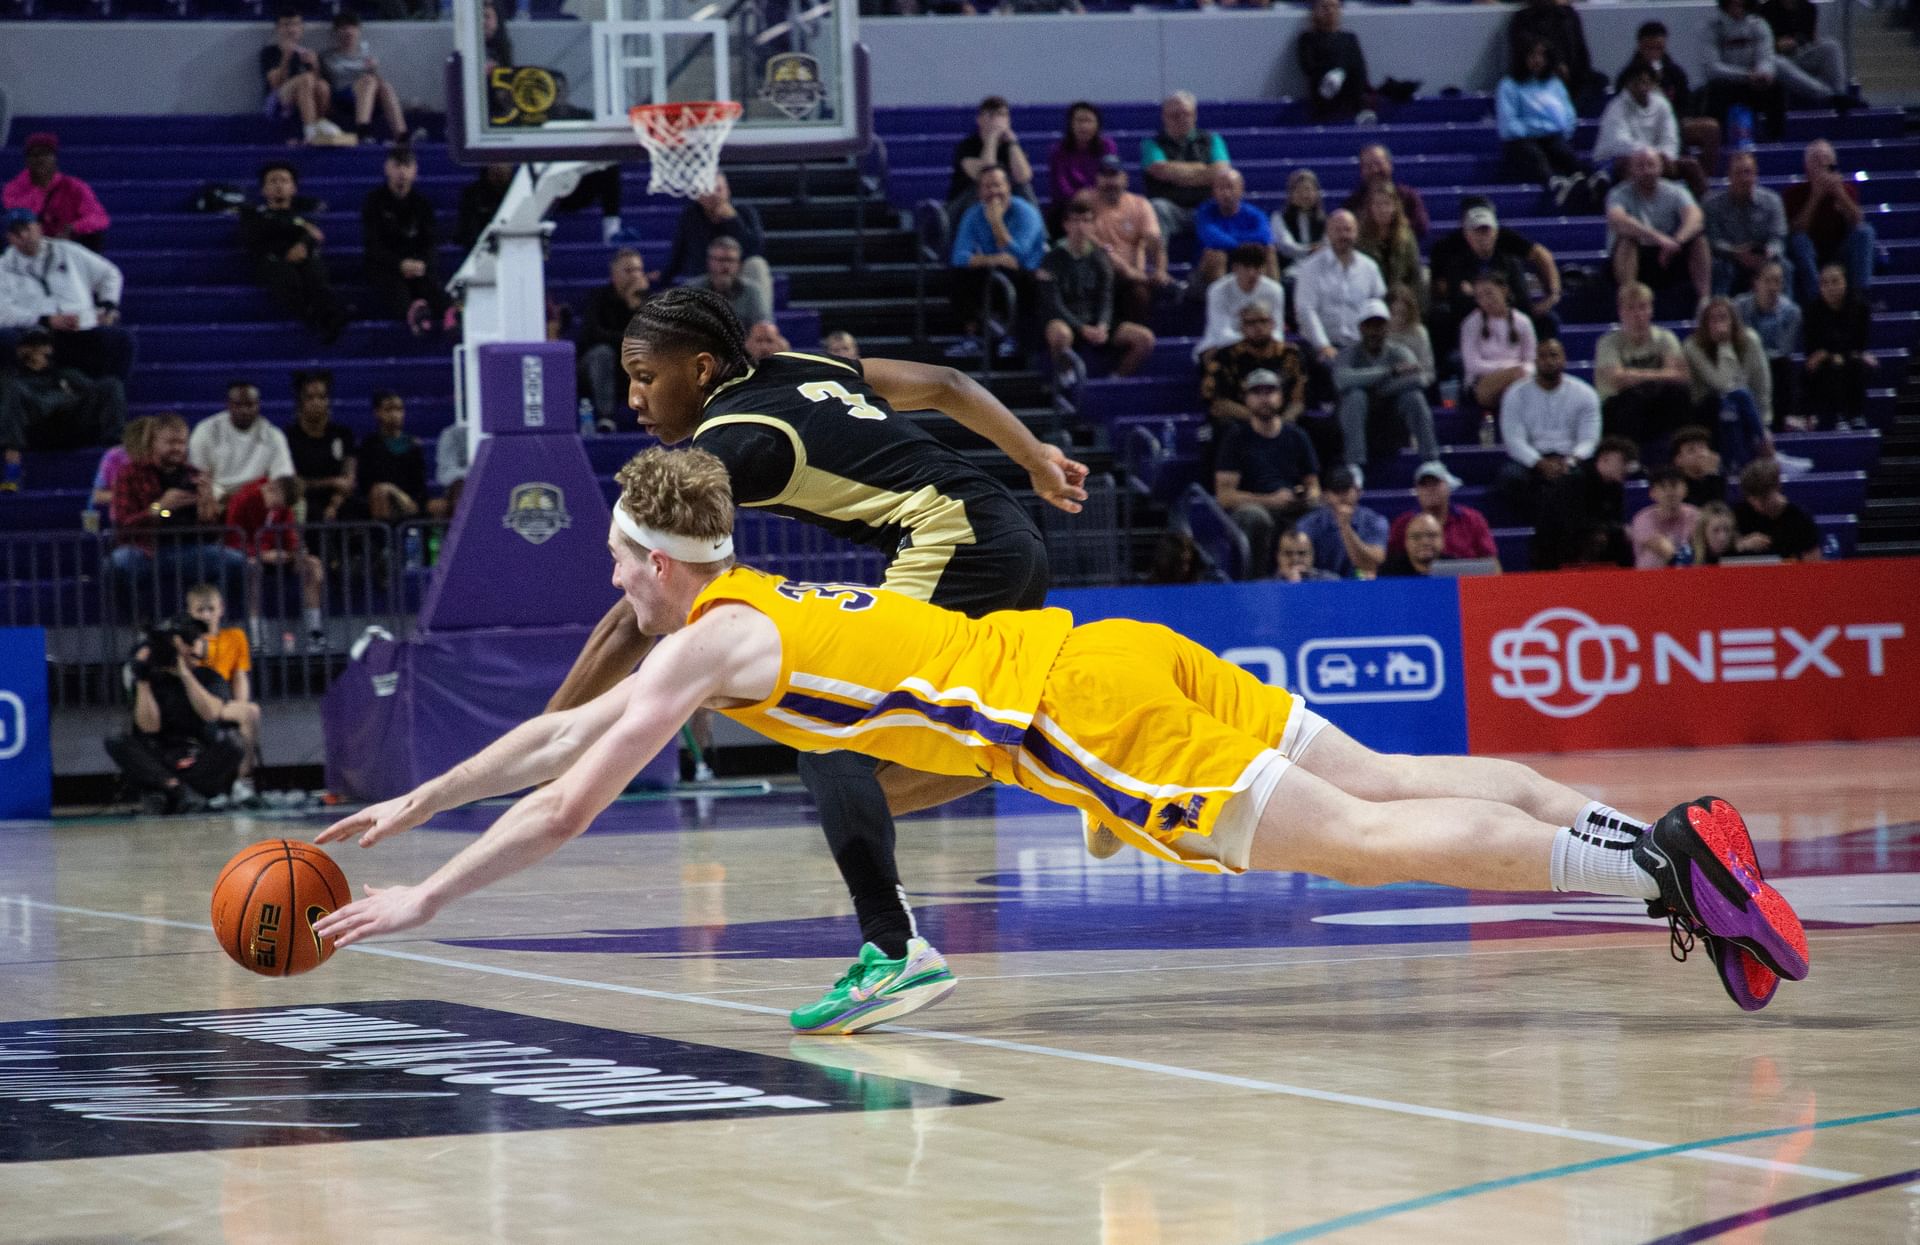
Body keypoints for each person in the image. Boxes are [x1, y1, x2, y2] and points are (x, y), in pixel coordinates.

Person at [316, 445, 1811, 1019]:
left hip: (1070, 716)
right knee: (1396, 771)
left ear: (658, 560)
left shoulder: (708, 640)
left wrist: (427, 899)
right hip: (1103, 648)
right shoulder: (740, 603)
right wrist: (417, 798)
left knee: (1359, 841)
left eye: (616, 564)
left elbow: (575, 793)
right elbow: (552, 738)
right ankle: (1665, 839)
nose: (610, 583)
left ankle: (1674, 880)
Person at [537, 287, 1088, 1035]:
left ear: (700, 368)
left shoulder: (732, 443)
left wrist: (550, 731)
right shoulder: (800, 364)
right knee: (935, 747)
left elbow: (642, 612)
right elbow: (949, 387)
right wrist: (1038, 458)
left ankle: (895, 951)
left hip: (949, 546)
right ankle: (1082, 775)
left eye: (643, 376)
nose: (630, 397)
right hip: (1010, 532)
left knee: (831, 735)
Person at [108, 413, 249, 613]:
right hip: (146, 549)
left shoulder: (194, 476)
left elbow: (207, 531)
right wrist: (160, 508)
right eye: (170, 442)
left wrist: (208, 515)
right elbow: (123, 525)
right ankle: (135, 630)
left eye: (182, 442)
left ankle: (214, 627)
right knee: (116, 564)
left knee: (237, 562)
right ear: (153, 442)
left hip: (189, 548)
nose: (177, 448)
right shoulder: (130, 473)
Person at [107, 615, 244, 816]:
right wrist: (143, 679)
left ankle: (176, 794)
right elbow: (149, 727)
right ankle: (177, 789)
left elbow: (211, 714)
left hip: (199, 758)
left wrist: (185, 674)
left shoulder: (208, 677)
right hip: (160, 759)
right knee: (116, 739)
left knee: (234, 743)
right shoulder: (151, 679)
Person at [0, 208, 133, 381]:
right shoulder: (3, 267)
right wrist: (46, 320)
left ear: (39, 228)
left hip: (80, 328)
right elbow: (4, 313)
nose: (24, 236)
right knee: (5, 339)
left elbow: (110, 274)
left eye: (27, 228)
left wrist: (107, 306)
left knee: (121, 339)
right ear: (9, 239)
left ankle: (109, 397)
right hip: (35, 334)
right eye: (16, 233)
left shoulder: (68, 251)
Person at [1214, 368, 1320, 577]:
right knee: (1256, 517)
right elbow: (1225, 497)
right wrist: (1271, 500)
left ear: (1280, 397)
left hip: (1292, 506)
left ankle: (1326, 582)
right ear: (1246, 399)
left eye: (1270, 392)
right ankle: (1256, 585)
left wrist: (1305, 496)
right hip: (1255, 507)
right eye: (1257, 393)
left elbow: (1314, 485)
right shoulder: (1236, 437)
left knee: (1327, 515)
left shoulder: (1297, 436)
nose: (1264, 399)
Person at [1038, 199, 1154, 387]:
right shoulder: (1052, 259)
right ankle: (1067, 380)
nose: (1081, 226)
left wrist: (1103, 324)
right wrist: (1080, 327)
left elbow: (1106, 297)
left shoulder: (1100, 259)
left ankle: (1116, 380)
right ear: (1066, 225)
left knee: (1144, 338)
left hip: (1095, 320)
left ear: (1093, 225)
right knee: (1059, 333)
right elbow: (1053, 303)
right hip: (1068, 320)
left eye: (1086, 221)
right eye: (1075, 221)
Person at [1426, 199, 1562, 357]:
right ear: (1467, 234)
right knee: (1439, 317)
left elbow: (1522, 299)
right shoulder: (1454, 259)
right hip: (1470, 319)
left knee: (1548, 320)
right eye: (1477, 231)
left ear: (1496, 232)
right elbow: (1455, 299)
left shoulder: (1510, 259)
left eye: (1487, 231)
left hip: (1509, 315)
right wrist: (1492, 298)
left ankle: (1541, 364)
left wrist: (1553, 293)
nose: (1483, 237)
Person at [0, 327, 126, 491]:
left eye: (41, 345)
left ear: (50, 348)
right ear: (20, 350)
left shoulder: (64, 374)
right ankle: (12, 467)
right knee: (15, 393)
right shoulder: (11, 380)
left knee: (111, 385)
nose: (36, 351)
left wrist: (66, 397)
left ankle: (114, 457)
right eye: (31, 346)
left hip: (69, 427)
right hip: (35, 432)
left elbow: (92, 393)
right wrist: (62, 397)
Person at [240, 162, 350, 344]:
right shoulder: (255, 215)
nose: (279, 185)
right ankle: (317, 318)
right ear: (263, 190)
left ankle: (331, 316)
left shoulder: (305, 214)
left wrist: (303, 243)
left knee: (315, 272)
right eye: (273, 181)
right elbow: (257, 238)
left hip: (303, 260)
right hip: (274, 262)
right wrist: (296, 237)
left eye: (284, 180)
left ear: (293, 188)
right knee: (287, 277)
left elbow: (315, 236)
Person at [1332, 298, 1437, 484]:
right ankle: (1354, 466)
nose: (1374, 332)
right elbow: (1342, 380)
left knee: (1415, 397)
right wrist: (1390, 372)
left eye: (1379, 326)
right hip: (1358, 421)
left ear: (1387, 328)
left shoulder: (1399, 352)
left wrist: (1378, 390)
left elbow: (1418, 379)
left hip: (1392, 421)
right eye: (1369, 326)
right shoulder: (1349, 354)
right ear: (1361, 328)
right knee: (1355, 396)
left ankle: (1432, 462)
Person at [947, 166, 1046, 359]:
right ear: (980, 191)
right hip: (994, 268)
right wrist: (994, 258)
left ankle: (1014, 337)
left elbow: (1020, 257)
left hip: (1028, 273)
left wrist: (997, 224)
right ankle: (972, 337)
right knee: (959, 274)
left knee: (1020, 278)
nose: (993, 191)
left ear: (1008, 187)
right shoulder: (973, 214)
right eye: (987, 186)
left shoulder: (1026, 213)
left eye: (997, 185)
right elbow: (959, 256)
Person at [225, 473, 328, 651]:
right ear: (272, 488)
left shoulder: (283, 507)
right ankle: (257, 639)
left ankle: (315, 633)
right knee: (253, 568)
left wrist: (295, 551)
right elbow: (232, 539)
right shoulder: (243, 499)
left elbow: (289, 536)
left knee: (313, 565)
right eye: (276, 504)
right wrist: (262, 554)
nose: (276, 508)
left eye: (281, 507)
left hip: (277, 555)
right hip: (248, 555)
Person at [1498, 337, 1600, 515]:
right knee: (1510, 478)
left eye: (1554, 355)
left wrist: (1570, 461)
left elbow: (1589, 440)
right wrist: (1539, 463)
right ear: (1535, 361)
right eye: (1543, 356)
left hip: (1571, 458)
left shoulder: (1585, 393)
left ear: (1564, 359)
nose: (1549, 361)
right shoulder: (1515, 394)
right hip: (1531, 459)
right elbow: (1514, 441)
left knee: (1589, 477)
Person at [184, 582, 265, 806]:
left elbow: (239, 675)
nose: (207, 615)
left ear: (221, 608)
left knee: (251, 711)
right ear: (190, 611)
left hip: (222, 700)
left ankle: (241, 781)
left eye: (211, 609)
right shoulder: (188, 640)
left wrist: (241, 705)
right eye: (200, 610)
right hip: (196, 700)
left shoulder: (235, 637)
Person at [1606, 147, 1711, 308]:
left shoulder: (1676, 191)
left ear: (1661, 167)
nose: (1646, 171)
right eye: (1640, 166)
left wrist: (1677, 240)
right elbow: (1618, 220)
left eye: (1651, 164)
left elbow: (1695, 217)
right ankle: (1629, 301)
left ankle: (1704, 301)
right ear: (1631, 169)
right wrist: (1658, 238)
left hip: (1669, 256)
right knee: (1627, 240)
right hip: (1639, 258)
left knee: (1698, 238)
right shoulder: (1618, 194)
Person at [1595, 283, 1693, 453]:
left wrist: (1635, 376)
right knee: (1630, 399)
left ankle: (1681, 453)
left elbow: (1681, 376)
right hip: (1620, 409)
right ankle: (1630, 458)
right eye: (1631, 308)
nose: (1637, 314)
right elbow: (1617, 380)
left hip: (1655, 406)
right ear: (1621, 312)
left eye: (1643, 307)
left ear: (1651, 310)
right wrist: (1660, 375)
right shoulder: (1608, 342)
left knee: (1679, 394)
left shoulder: (1665, 338)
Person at [362, 146, 450, 335]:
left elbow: (430, 242)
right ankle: (414, 313)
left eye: (406, 166)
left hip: (417, 264)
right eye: (397, 166)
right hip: (387, 265)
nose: (402, 171)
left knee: (430, 281)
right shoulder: (374, 201)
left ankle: (448, 316)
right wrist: (399, 264)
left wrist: (421, 263)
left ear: (414, 170)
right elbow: (373, 244)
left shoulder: (422, 203)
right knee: (393, 283)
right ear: (387, 168)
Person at [1618, 21, 1722, 180]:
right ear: (1640, 46)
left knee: (1710, 128)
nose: (1654, 53)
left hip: (1675, 123)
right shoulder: (1627, 76)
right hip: (1640, 128)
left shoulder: (1675, 73)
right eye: (1649, 48)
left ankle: (1704, 178)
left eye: (1658, 48)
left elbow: (1687, 105)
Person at [1498, 38, 1593, 207]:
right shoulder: (1509, 85)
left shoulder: (1554, 84)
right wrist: (1541, 128)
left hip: (1551, 137)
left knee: (1562, 149)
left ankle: (1588, 179)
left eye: (1542, 55)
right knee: (1533, 152)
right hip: (1522, 142)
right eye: (1533, 55)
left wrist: (1547, 129)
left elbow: (1567, 118)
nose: (1538, 60)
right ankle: (1554, 184)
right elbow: (1508, 126)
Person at [1593, 64, 1707, 202]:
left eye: (1645, 82)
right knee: (1630, 165)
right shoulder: (1616, 108)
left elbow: (1670, 138)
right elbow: (1620, 143)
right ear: (1628, 84)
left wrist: (1664, 157)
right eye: (1636, 83)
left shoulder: (1662, 105)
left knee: (1691, 165)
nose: (1641, 87)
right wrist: (1651, 156)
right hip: (1617, 161)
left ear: (1652, 84)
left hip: (1658, 159)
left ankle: (1701, 211)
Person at [1294, 210, 1387, 382]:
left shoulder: (1370, 268)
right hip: (1323, 347)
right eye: (1338, 230)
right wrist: (1324, 346)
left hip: (1362, 345)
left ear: (1356, 233)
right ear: (1328, 233)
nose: (1343, 235)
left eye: (1348, 230)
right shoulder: (1310, 268)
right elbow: (1306, 311)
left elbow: (1378, 307)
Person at [1685, 297, 1773, 472]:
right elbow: (1723, 384)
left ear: (1733, 320)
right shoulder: (1693, 346)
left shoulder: (1750, 340)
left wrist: (1764, 422)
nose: (1719, 324)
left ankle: (1736, 466)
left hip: (1744, 411)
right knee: (1734, 398)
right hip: (1706, 409)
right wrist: (1724, 345)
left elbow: (1761, 384)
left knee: (1734, 403)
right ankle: (1766, 452)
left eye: (1723, 317)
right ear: (1704, 323)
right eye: (1713, 319)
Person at [1783, 140, 1876, 306]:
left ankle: (1859, 297)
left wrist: (1840, 195)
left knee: (1865, 232)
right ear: (1807, 168)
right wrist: (1815, 197)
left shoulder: (1846, 190)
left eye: (1827, 158)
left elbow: (1857, 220)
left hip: (1839, 252)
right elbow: (1796, 230)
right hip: (1809, 253)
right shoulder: (1793, 194)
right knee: (1799, 241)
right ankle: (1817, 298)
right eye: (1817, 160)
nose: (1823, 164)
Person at [1086, 156, 1173, 326]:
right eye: (1105, 176)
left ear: (1125, 178)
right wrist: (1122, 267)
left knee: (1141, 292)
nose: (1110, 182)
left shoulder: (1140, 204)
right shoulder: (1086, 203)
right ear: (1097, 179)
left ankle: (1136, 335)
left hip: (1131, 279)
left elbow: (1155, 241)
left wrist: (1160, 270)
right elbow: (1088, 239)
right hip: (1096, 275)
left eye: (1114, 176)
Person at [663, 172, 770, 306]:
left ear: (728, 191)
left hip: (736, 278)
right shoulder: (690, 216)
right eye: (707, 189)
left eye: (718, 189)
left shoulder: (744, 212)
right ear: (698, 195)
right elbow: (678, 255)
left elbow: (755, 249)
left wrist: (733, 221)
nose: (714, 194)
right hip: (703, 278)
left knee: (757, 264)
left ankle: (763, 322)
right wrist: (662, 278)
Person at [1531, 436, 1636, 570]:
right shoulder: (1575, 481)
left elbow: (1615, 519)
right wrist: (1611, 529)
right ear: (1605, 458)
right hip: (1556, 549)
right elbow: (1573, 522)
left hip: (1590, 540)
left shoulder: (1615, 487)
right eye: (1624, 461)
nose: (1626, 468)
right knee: (1599, 537)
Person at [1140, 92, 1230, 245]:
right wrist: (1203, 169)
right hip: (1170, 208)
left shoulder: (1213, 140)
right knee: (1156, 208)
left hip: (1205, 207)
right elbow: (1160, 170)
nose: (1181, 119)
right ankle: (1158, 267)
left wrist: (1176, 174)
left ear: (1194, 115)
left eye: (1185, 114)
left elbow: (1221, 171)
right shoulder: (1151, 143)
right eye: (1174, 115)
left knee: (1224, 205)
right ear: (1164, 117)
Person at [577, 249, 652, 431]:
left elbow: (653, 340)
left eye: (638, 270)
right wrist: (627, 342)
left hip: (630, 368)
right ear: (614, 275)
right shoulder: (598, 297)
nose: (634, 276)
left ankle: (653, 415)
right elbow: (592, 335)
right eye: (628, 271)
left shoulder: (649, 302)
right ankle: (606, 418)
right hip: (597, 368)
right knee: (603, 353)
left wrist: (634, 308)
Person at [188, 379, 296, 505]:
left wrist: (253, 499)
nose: (244, 410)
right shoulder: (205, 430)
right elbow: (197, 476)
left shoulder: (274, 435)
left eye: (250, 405)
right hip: (216, 500)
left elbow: (282, 479)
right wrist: (224, 498)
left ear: (258, 405)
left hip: (260, 502)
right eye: (238, 405)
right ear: (228, 405)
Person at [1201, 302, 1304, 433]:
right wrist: (1259, 420)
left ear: (1273, 324)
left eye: (1263, 321)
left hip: (1283, 420)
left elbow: (1299, 400)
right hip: (1240, 422)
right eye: (1251, 323)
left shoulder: (1291, 355)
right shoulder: (1224, 357)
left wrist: (1280, 423)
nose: (1258, 327)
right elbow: (1217, 401)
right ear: (1242, 327)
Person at [3, 132, 109, 251]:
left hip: (67, 245)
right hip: (31, 244)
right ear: (27, 160)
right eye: (35, 155)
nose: (40, 159)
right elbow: (20, 217)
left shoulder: (74, 186)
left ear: (55, 158)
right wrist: (40, 190)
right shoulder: (14, 188)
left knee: (94, 236)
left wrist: (73, 228)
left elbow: (99, 218)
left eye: (45, 154)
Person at [1800, 262, 1875, 431]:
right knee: (1832, 366)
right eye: (1824, 283)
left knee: (1854, 365)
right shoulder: (1812, 311)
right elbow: (1812, 352)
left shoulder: (1860, 308)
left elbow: (1859, 344)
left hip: (1850, 361)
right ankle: (1836, 416)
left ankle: (1856, 416)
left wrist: (1832, 352)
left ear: (1845, 282)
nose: (1830, 287)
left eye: (1835, 281)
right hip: (1822, 369)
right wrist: (1832, 354)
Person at [1704, 151, 1788, 298]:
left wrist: (1768, 252)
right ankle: (1718, 312)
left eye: (1748, 172)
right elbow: (1712, 240)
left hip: (1763, 258)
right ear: (1729, 175)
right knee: (1719, 267)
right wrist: (1736, 253)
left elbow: (1778, 237)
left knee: (1785, 267)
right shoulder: (1712, 204)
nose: (1744, 178)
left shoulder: (1772, 201)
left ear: (1756, 174)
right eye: (1738, 173)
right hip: (1729, 258)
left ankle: (1785, 314)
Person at [945, 96, 1036, 226]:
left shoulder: (1012, 147)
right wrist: (992, 137)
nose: (997, 120)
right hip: (964, 204)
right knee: (983, 188)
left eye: (1002, 115)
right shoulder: (967, 146)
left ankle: (1043, 239)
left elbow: (1024, 177)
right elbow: (987, 174)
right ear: (979, 120)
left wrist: (1012, 143)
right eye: (991, 115)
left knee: (1023, 188)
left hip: (1003, 202)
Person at [1704, 0, 1786, 143]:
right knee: (1715, 91)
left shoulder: (1759, 24)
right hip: (1726, 84)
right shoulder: (1711, 27)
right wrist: (1746, 75)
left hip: (1754, 84)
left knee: (1775, 88)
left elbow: (1766, 57)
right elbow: (1713, 68)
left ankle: (1775, 140)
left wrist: (1763, 73)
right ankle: (1719, 142)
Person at [320, 13, 408, 143]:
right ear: (337, 32)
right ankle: (363, 130)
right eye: (344, 28)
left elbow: (377, 81)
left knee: (385, 86)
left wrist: (373, 69)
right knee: (368, 81)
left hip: (368, 95)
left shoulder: (366, 56)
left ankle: (401, 135)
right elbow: (338, 74)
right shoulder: (329, 56)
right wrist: (363, 71)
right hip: (342, 95)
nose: (348, 32)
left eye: (352, 28)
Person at [1388, 460, 1497, 564]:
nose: (1430, 489)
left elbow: (1491, 561)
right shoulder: (1403, 524)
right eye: (1424, 485)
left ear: (1448, 486)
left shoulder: (1472, 519)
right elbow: (1391, 561)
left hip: (1465, 581)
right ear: (1417, 491)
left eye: (1435, 483)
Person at [260, 8, 343, 146]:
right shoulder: (269, 52)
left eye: (295, 24)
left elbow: (323, 89)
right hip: (278, 102)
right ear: (278, 28)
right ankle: (311, 131)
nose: (291, 29)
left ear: (301, 28)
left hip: (304, 100)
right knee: (306, 79)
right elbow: (275, 83)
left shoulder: (308, 53)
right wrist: (286, 58)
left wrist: (315, 65)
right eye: (286, 25)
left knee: (322, 85)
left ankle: (319, 123)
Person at [1734, 259, 1802, 426]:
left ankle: (1780, 422)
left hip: (1775, 364)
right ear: (1756, 283)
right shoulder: (1738, 307)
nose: (1773, 287)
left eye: (1778, 281)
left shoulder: (1792, 312)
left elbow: (1784, 349)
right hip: (1743, 363)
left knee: (1783, 365)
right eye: (1768, 280)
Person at [285, 370, 358, 522]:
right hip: (304, 501)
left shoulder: (343, 434)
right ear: (300, 402)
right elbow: (292, 483)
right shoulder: (288, 437)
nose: (316, 402)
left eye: (322, 397)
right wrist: (331, 482)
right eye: (310, 398)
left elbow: (348, 479)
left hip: (338, 501)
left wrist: (334, 505)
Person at [1459, 272, 1536, 416]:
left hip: (1518, 379)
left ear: (1504, 290)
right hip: (1481, 383)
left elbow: (1531, 360)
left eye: (1489, 293)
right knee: (1517, 378)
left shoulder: (1523, 321)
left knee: (1519, 385)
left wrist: (1519, 371)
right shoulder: (1471, 323)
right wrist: (1508, 369)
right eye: (1479, 297)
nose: (1486, 301)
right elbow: (1472, 365)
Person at [1507, 0, 1605, 112]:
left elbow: (1582, 55)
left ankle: (1569, 113)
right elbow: (1521, 57)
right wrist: (1552, 67)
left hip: (1573, 82)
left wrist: (1567, 70)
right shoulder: (1522, 19)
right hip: (1536, 81)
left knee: (1597, 82)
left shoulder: (1567, 16)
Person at [357, 391, 439, 522]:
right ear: (377, 413)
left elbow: (419, 484)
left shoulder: (413, 445)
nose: (395, 415)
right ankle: (384, 540)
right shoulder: (370, 444)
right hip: (379, 500)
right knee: (380, 492)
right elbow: (366, 483)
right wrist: (392, 490)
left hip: (409, 501)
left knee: (439, 506)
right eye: (388, 409)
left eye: (399, 409)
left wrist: (411, 500)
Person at [1196, 244, 1286, 360]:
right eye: (1247, 267)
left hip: (1263, 344)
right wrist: (1250, 339)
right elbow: (1221, 332)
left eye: (1257, 267)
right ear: (1235, 268)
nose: (1252, 273)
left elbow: (1277, 331)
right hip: (1222, 345)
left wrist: (1259, 340)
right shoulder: (1217, 290)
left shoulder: (1275, 290)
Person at [1293, 465, 1386, 578]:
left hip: (1361, 585)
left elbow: (1373, 562)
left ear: (1357, 491)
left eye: (1346, 489)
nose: (1342, 496)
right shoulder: (1308, 524)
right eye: (1336, 491)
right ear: (1326, 495)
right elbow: (1298, 561)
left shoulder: (1374, 521)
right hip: (1320, 586)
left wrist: (1345, 527)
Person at [1192, 167, 1275, 291]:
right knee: (1217, 254)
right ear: (1214, 191)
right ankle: (1221, 301)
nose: (1226, 193)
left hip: (1246, 261)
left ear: (1241, 189)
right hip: (1207, 270)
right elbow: (1213, 240)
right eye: (1221, 188)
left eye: (1230, 187)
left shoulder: (1254, 214)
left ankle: (1270, 300)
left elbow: (1265, 237)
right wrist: (1245, 243)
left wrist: (1234, 241)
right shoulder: (1205, 212)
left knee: (1268, 250)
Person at [1297, 0, 1377, 124]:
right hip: (1322, 91)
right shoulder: (1307, 38)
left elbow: (1360, 67)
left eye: (1334, 7)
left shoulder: (1350, 38)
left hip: (1350, 87)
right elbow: (1308, 67)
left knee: (1349, 60)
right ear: (1315, 11)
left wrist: (1340, 71)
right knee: (1339, 62)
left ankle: (1359, 106)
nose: (1330, 11)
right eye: (1325, 7)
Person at [1757, 0, 1847, 105]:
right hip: (1777, 59)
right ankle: (1828, 96)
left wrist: (1799, 44)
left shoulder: (1809, 8)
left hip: (1801, 55)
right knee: (1776, 62)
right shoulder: (1765, 10)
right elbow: (1759, 47)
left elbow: (1812, 39)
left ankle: (1840, 94)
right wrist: (1777, 45)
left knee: (1831, 45)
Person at [1733, 456, 1820, 560]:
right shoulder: (1739, 513)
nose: (1757, 505)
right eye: (1752, 499)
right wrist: (1743, 545)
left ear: (1777, 487)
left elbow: (1813, 562)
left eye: (1764, 498)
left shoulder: (1800, 519)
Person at [1047, 103, 1116, 231]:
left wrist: (1093, 195)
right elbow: (1060, 183)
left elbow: (1110, 176)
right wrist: (1077, 196)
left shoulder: (1107, 146)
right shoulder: (1058, 150)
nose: (1084, 126)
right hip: (1068, 204)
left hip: (1100, 200)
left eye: (1088, 121)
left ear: (1097, 124)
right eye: (1079, 121)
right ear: (1071, 124)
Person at [1341, 145, 1429, 241]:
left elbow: (1421, 227)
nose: (1375, 170)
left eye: (1379, 164)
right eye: (1368, 166)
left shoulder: (1408, 197)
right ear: (1361, 171)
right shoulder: (1353, 202)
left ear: (1390, 165)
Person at [1354, 184, 1421, 309]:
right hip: (1369, 302)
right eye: (1378, 204)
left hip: (1400, 303)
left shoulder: (1406, 237)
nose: (1382, 209)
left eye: (1387, 204)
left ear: (1395, 207)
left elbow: (1414, 273)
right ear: (1370, 208)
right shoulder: (1359, 239)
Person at [688, 237, 773, 336]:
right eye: (720, 260)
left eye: (730, 260)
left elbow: (762, 328)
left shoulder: (753, 292)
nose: (725, 266)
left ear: (739, 264)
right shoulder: (692, 290)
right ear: (709, 262)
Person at [1630, 466, 1701, 568]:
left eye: (1674, 485)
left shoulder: (1695, 515)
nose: (1670, 492)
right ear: (1652, 493)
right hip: (1649, 578)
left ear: (1685, 489)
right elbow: (1665, 550)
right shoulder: (1643, 519)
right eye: (1663, 487)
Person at [1272, 168, 1327, 276]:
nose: (1304, 195)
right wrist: (1310, 250)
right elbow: (1286, 246)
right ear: (1291, 194)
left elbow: (1327, 246)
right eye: (1299, 190)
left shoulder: (1326, 220)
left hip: (1319, 272)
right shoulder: (1279, 218)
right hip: (1290, 273)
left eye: (1308, 190)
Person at [1386, 284, 1434, 392]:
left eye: (1402, 314)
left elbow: (1428, 371)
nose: (1398, 319)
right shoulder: (1381, 333)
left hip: (1413, 384)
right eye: (1393, 314)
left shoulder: (1419, 333)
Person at [455, 163, 515, 250]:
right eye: (495, 163)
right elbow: (467, 232)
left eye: (504, 163)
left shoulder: (520, 192)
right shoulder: (472, 195)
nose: (499, 168)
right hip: (482, 249)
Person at [1671, 425, 1729, 506]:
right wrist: (1711, 475)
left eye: (1702, 448)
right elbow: (1708, 512)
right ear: (1678, 460)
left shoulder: (1720, 479)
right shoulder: (1676, 487)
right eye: (1691, 450)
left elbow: (1721, 512)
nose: (1700, 454)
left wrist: (1713, 475)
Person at [1378, 510, 1443, 577]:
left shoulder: (1453, 568)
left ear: (1442, 539)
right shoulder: (1388, 572)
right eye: (1416, 537)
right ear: (1406, 543)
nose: (1425, 542)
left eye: (1431, 535)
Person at [1274, 527, 1338, 583]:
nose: (1295, 558)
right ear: (1278, 556)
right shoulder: (1267, 587)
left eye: (1301, 553)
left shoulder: (1331, 583)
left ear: (1312, 556)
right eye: (1288, 553)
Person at [1691, 500, 1740, 565]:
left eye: (1727, 530)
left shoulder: (1741, 556)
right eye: (1715, 530)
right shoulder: (1688, 558)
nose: (1722, 537)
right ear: (1703, 531)